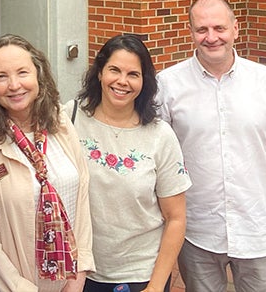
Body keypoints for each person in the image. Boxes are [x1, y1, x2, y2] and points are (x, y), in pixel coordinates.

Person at [155, 0, 266, 292]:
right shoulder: (167, 85)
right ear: (190, 32)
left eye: (219, 28)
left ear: (235, 29)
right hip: (196, 232)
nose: (211, 37)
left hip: (257, 231)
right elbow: (157, 159)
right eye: (202, 29)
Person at [0, 34, 93, 292]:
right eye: (1, 77)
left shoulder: (60, 124)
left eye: (22, 72)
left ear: (38, 75)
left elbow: (82, 198)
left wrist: (79, 274)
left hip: (68, 284)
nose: (14, 85)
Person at [65, 34, 190, 292]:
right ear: (100, 72)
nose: (122, 81)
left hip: (139, 276)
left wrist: (155, 286)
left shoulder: (160, 135)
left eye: (133, 74)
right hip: (78, 272)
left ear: (144, 81)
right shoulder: (70, 119)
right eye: (114, 70)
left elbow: (176, 218)